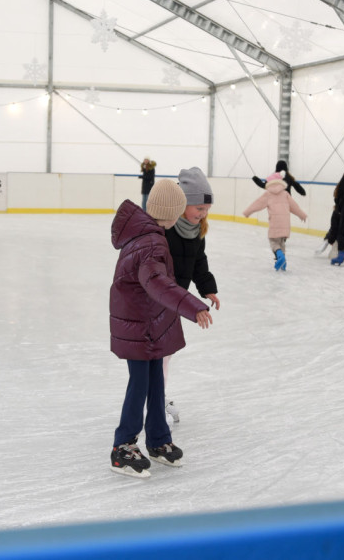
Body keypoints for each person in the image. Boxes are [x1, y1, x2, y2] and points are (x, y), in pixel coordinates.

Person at [109, 179, 212, 478]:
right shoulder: (152, 242)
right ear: (171, 212)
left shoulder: (147, 233)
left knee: (155, 384)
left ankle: (157, 439)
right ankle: (123, 447)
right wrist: (193, 305)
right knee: (140, 386)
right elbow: (158, 284)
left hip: (149, 323)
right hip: (140, 324)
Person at [162, 167, 220, 425]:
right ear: (183, 204)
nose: (203, 213)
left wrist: (207, 287)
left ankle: (157, 394)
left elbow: (199, 261)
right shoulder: (166, 229)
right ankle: (156, 396)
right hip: (158, 297)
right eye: (198, 207)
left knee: (166, 351)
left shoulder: (197, 231)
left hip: (175, 299)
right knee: (160, 350)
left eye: (206, 209)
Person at [243, 172, 308, 271]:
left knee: (273, 241)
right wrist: (302, 215)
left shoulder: (268, 194)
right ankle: (283, 263)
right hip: (285, 224)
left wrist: (247, 212)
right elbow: (294, 207)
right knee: (281, 242)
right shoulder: (285, 194)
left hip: (275, 223)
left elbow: (257, 204)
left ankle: (280, 256)